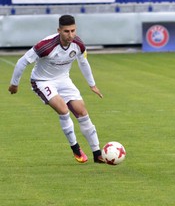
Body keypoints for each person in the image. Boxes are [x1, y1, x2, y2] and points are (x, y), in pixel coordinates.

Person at [8, 15, 107, 164]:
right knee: (63, 109)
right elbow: (22, 62)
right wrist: (14, 84)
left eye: (73, 30)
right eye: (66, 31)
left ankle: (97, 153)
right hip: (42, 81)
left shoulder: (78, 44)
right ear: (59, 30)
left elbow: (83, 62)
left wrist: (92, 84)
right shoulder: (45, 46)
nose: (71, 35)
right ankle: (75, 148)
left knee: (82, 112)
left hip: (64, 80)